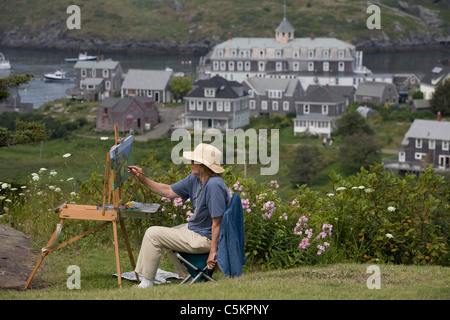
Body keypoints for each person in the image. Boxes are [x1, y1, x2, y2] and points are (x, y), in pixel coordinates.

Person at [127, 143, 230, 288]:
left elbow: (217, 222)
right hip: (196, 229)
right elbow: (168, 191)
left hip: (205, 238)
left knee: (153, 234)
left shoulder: (214, 185)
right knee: (168, 234)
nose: (191, 162)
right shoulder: (195, 178)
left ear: (205, 165)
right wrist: (143, 179)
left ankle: (146, 283)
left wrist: (213, 252)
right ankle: (189, 275)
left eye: (195, 160)